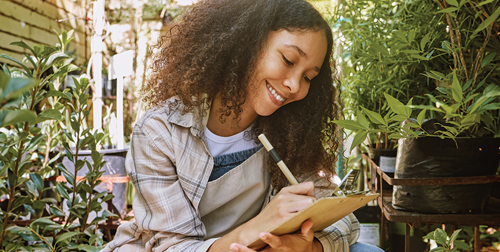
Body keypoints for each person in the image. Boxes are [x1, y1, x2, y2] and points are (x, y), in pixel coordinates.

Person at [102, 0, 384, 251]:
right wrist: (262, 224)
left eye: (309, 77)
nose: (294, 85)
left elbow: (344, 221)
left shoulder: (291, 134)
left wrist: (306, 247)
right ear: (248, 42)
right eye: (288, 60)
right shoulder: (159, 131)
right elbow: (173, 246)